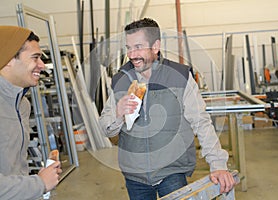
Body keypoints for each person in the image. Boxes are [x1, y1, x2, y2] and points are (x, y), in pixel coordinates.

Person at [99, 18, 235, 199]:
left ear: (155, 46)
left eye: (138, 47)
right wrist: (118, 113)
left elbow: (201, 122)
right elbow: (105, 128)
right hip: (134, 176)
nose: (132, 54)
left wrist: (218, 165)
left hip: (172, 171)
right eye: (128, 47)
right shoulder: (120, 80)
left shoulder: (179, 77)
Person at [0, 26, 62, 200]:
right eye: (35, 57)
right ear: (9, 59)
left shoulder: (22, 105)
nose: (42, 66)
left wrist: (35, 181)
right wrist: (39, 183)